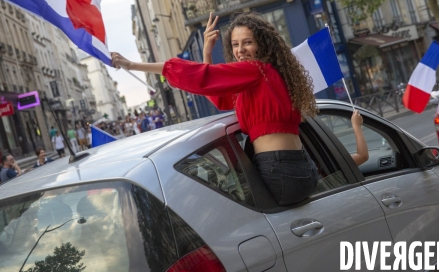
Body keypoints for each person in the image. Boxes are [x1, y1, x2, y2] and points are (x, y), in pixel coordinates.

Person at [112, 12, 319, 206]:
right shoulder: (271, 75)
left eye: (248, 42)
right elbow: (221, 98)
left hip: (280, 172)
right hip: (302, 169)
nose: (240, 50)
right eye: (235, 44)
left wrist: (132, 65)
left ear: (263, 45)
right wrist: (206, 54)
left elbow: (199, 77)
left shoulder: (256, 71)